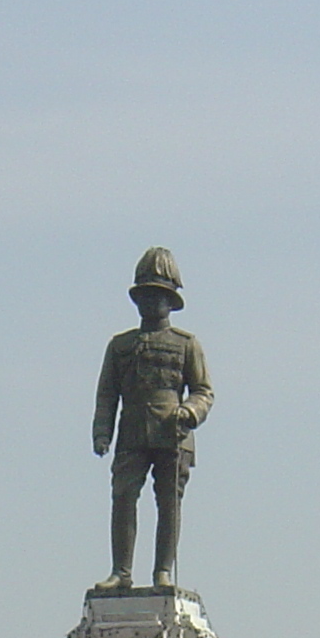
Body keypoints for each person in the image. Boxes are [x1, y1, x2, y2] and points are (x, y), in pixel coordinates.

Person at [91, 246, 213, 592]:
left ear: (170, 300)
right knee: (123, 497)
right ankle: (121, 572)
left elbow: (204, 391)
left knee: (168, 502)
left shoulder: (187, 344)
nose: (151, 302)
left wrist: (189, 411)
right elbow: (107, 395)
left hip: (172, 433)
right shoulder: (119, 345)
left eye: (158, 295)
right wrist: (102, 433)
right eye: (145, 295)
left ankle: (162, 571)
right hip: (131, 432)